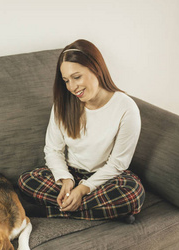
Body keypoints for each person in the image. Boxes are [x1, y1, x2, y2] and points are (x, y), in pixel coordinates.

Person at [18, 39, 145, 222]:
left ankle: (50, 212)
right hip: (71, 173)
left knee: (133, 193)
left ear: (96, 69)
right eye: (66, 81)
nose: (71, 87)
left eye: (77, 77)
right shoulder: (63, 104)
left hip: (105, 177)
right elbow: (53, 150)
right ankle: (107, 213)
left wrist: (84, 189)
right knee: (25, 181)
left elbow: (118, 164)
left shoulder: (126, 108)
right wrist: (66, 180)